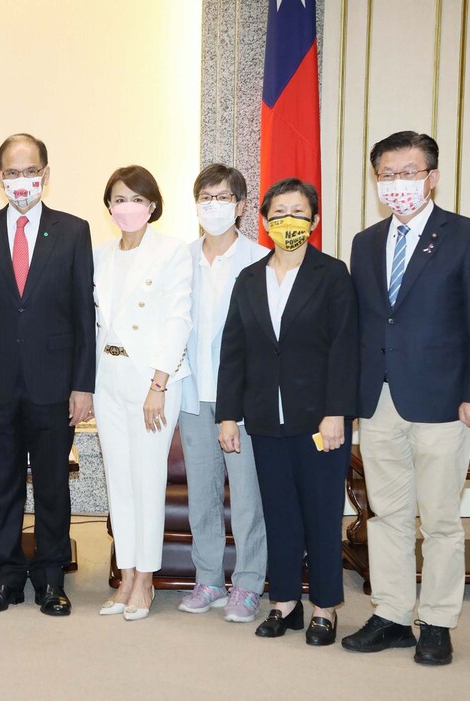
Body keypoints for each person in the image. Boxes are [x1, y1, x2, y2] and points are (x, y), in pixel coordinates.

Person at [342, 131, 470, 665]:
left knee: (440, 520)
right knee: (387, 514)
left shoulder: (468, 236)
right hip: (378, 399)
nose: (397, 183)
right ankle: (391, 614)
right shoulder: (365, 242)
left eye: (408, 172)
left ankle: (436, 621)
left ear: (432, 176)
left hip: (443, 400)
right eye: (387, 174)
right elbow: (365, 325)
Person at [0, 133, 95, 616]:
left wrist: (83, 385)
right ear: (0, 177)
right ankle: (5, 576)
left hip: (55, 385)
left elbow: (83, 315)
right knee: (0, 484)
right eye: (12, 172)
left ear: (46, 174)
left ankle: (51, 577)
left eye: (30, 171)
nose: (22, 180)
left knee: (53, 484)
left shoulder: (74, 231)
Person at [217, 178, 358, 645]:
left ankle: (324, 606)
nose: (287, 221)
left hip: (320, 420)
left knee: (321, 514)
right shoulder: (249, 278)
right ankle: (284, 601)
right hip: (265, 419)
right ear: (264, 221)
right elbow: (233, 352)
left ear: (313, 221)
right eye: (278, 213)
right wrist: (227, 415)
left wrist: (337, 411)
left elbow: (344, 348)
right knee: (278, 513)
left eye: (297, 212)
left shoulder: (331, 274)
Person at [93, 165, 192, 620]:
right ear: (109, 206)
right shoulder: (100, 255)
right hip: (108, 378)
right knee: (119, 481)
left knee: (147, 480)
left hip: (153, 380)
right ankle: (127, 573)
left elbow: (178, 320)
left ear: (152, 205)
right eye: (119, 199)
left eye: (136, 198)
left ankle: (147, 580)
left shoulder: (172, 252)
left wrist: (159, 384)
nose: (127, 207)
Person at [178, 164, 269, 622]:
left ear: (240, 205)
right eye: (205, 198)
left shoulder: (260, 260)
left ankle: (248, 584)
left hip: (244, 399)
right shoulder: (181, 259)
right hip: (194, 395)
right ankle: (209, 578)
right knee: (203, 495)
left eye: (222, 197)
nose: (212, 206)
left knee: (248, 497)